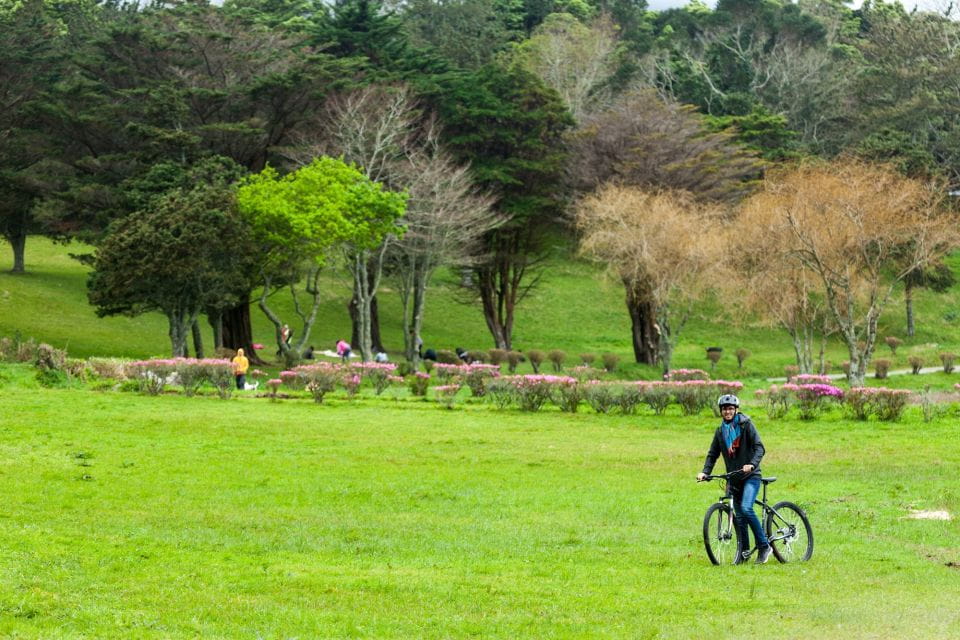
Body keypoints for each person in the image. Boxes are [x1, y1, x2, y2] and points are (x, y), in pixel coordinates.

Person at [697, 394, 772, 564]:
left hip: (751, 476)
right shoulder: (720, 432)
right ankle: (744, 553)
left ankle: (764, 546)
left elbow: (759, 447)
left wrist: (752, 464)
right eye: (724, 409)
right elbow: (712, 454)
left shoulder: (746, 425)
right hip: (733, 478)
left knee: (746, 508)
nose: (728, 411)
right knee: (739, 518)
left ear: (736, 410)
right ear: (721, 411)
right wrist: (705, 472)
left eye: (731, 408)